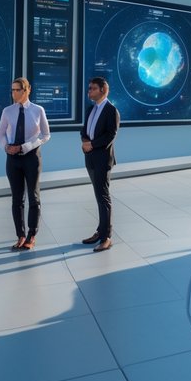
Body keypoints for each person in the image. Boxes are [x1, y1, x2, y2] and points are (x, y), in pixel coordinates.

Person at [0, 77, 51, 250]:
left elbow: (45, 135)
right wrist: (6, 147)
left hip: (31, 156)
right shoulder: (7, 111)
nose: (14, 93)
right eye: (12, 90)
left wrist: (26, 146)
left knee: (33, 196)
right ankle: (20, 235)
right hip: (12, 158)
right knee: (17, 198)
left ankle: (31, 235)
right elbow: (0, 133)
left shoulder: (38, 110)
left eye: (17, 90)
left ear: (27, 90)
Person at [79, 76, 119, 252]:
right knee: (98, 196)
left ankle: (106, 237)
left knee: (103, 197)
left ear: (103, 90)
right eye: (89, 88)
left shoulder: (111, 110)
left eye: (93, 88)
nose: (89, 91)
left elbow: (111, 135)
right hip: (90, 158)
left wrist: (92, 145)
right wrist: (85, 142)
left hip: (103, 159)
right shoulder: (90, 109)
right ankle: (100, 231)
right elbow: (84, 130)